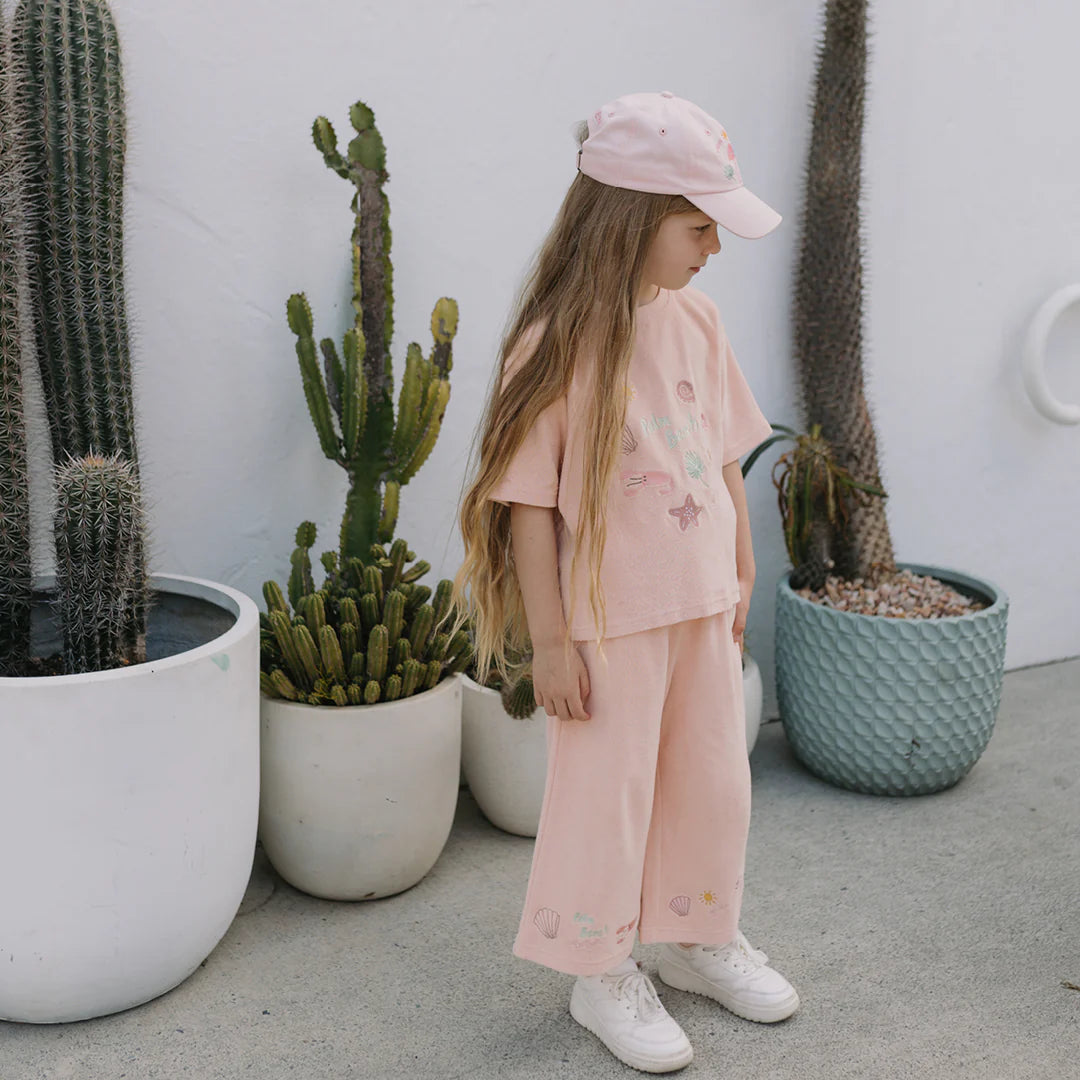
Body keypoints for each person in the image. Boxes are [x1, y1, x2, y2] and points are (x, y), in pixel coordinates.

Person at [448, 90, 800, 1074]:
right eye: (699, 227)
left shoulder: (697, 320)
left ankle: (694, 935)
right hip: (609, 623)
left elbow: (727, 450)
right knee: (606, 799)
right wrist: (552, 641)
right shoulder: (557, 345)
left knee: (712, 784)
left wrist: (740, 566)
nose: (713, 248)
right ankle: (598, 968)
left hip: (700, 608)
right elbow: (528, 504)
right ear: (634, 219)